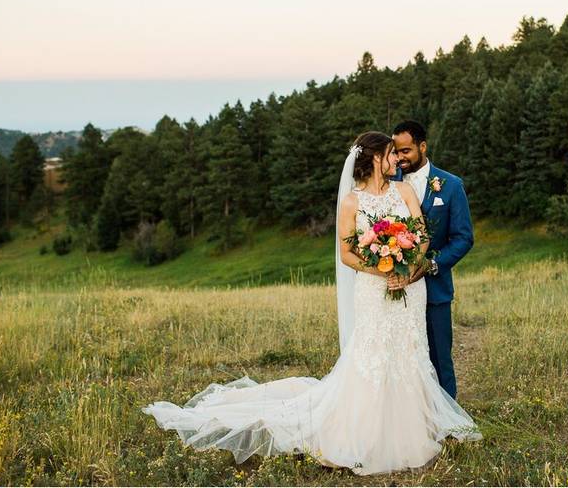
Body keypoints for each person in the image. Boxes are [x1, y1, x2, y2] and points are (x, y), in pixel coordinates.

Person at [141, 131, 481, 476]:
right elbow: (348, 254)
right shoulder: (352, 202)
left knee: (409, 351)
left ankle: (415, 431)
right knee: (374, 355)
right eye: (391, 154)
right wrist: (381, 268)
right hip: (373, 290)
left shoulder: (404, 191)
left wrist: (407, 267)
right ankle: (366, 434)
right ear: (375, 158)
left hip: (409, 287)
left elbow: (421, 235)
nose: (397, 160)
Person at [391, 120, 474, 400]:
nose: (400, 158)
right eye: (396, 151)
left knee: (440, 359)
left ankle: (449, 422)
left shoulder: (450, 186)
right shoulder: (387, 186)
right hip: (396, 290)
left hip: (435, 290)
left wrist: (432, 263)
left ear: (422, 147)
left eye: (406, 151)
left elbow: (463, 238)